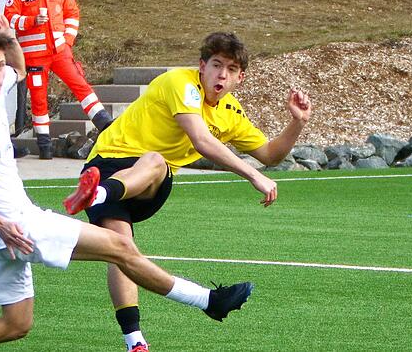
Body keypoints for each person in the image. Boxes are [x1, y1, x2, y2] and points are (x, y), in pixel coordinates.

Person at [0, 14, 254, 352]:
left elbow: (19, 69)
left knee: (16, 324)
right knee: (120, 247)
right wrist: (1, 224)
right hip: (13, 223)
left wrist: (9, 39)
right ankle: (209, 301)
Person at [62, 32, 312, 352]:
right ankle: (135, 341)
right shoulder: (179, 82)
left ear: (240, 78)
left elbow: (270, 154)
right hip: (105, 166)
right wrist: (253, 176)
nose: (222, 74)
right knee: (120, 248)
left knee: (153, 161)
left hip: (145, 182)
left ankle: (96, 196)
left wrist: (297, 123)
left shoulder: (231, 113)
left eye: (231, 69)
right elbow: (201, 140)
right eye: (216, 64)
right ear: (201, 66)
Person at [4, 0, 113, 160]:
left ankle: (105, 123)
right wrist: (31, 21)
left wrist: (68, 40)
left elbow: (72, 13)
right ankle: (44, 145)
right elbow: (10, 18)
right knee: (38, 99)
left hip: (60, 51)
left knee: (80, 84)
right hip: (34, 55)